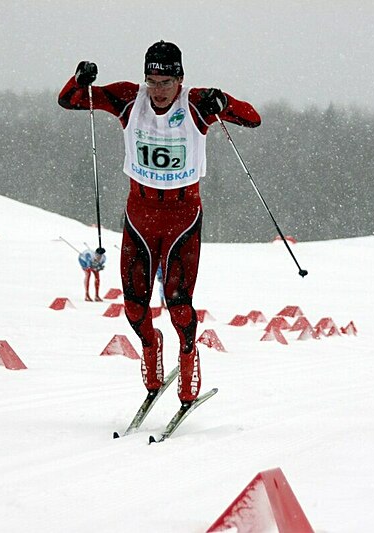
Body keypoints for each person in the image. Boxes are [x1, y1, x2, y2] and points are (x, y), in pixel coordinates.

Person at [59, 41, 261, 405]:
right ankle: (151, 347)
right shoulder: (127, 98)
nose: (158, 90)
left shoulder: (196, 103)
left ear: (180, 79)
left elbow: (252, 118)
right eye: (152, 81)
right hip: (140, 216)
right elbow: (71, 100)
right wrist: (80, 78)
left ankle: (187, 357)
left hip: (183, 218)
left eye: (166, 82)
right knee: (134, 308)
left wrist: (225, 103)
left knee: (178, 303)